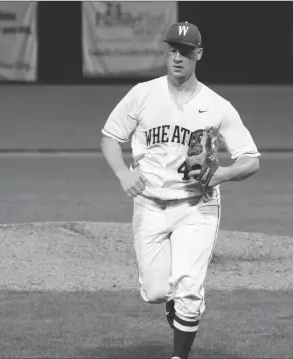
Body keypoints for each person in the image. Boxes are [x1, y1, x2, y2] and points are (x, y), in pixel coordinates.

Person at [100, 21, 260, 359]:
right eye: (172, 49)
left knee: (188, 287)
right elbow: (110, 137)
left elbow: (251, 159)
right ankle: (174, 303)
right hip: (149, 204)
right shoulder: (143, 94)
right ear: (165, 51)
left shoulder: (217, 106)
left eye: (185, 51)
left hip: (196, 207)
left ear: (198, 54)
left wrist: (222, 174)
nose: (178, 57)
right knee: (156, 292)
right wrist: (122, 174)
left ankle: (179, 351)